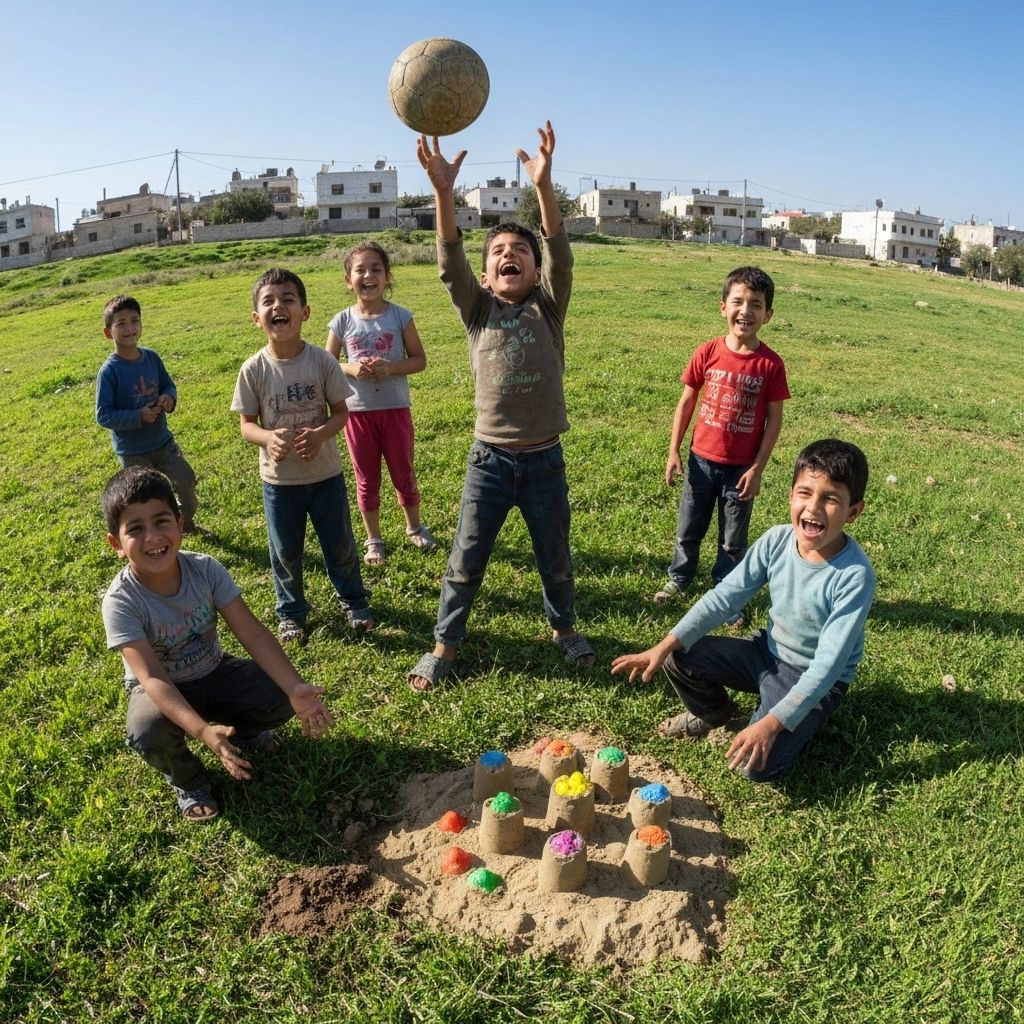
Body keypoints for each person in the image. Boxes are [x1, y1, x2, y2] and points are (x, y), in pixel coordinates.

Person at [407, 121, 594, 692]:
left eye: (520, 252)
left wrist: (544, 187)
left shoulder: (549, 307)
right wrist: (443, 194)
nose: (508, 256)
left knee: (555, 555)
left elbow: (562, 255)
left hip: (545, 462)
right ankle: (444, 644)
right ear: (486, 275)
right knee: (466, 558)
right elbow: (448, 262)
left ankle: (563, 630)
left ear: (535, 271)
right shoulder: (477, 308)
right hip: (489, 462)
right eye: (497, 253)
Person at [612, 439, 875, 782]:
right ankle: (716, 714)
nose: (813, 508)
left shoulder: (854, 575)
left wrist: (771, 723)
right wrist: (664, 645)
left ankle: (797, 718)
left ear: (853, 512)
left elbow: (828, 666)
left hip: (816, 678)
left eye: (831, 499)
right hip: (767, 652)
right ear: (790, 495)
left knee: (755, 767)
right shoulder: (777, 541)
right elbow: (725, 598)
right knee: (679, 654)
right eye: (805, 493)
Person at [100, 466, 336, 821]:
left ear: (180, 522)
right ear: (116, 544)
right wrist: (202, 732)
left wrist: (294, 686)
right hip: (160, 691)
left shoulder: (206, 569)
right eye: (135, 529)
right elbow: (153, 679)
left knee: (279, 693)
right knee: (146, 729)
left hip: (212, 670)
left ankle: (242, 732)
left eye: (161, 520)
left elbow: (252, 632)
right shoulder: (121, 601)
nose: (152, 537)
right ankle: (189, 782)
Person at [231, 268, 373, 646]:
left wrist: (322, 433)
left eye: (288, 299)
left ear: (305, 312)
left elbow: (341, 413)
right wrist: (267, 438)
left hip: (326, 475)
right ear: (256, 317)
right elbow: (247, 424)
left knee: (339, 544)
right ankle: (291, 612)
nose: (279, 306)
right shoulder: (253, 369)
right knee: (285, 551)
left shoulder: (322, 362)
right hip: (279, 482)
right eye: (269, 301)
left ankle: (354, 601)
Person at [653, 267, 790, 619]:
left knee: (733, 541)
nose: (746, 311)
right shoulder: (708, 351)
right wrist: (673, 451)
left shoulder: (770, 365)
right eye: (738, 302)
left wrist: (758, 467)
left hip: (741, 469)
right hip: (700, 462)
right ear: (723, 307)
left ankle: (725, 592)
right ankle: (679, 578)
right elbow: (686, 402)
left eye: (756, 305)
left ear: (768, 315)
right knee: (688, 529)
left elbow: (774, 418)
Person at [326, 240, 438, 566]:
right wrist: (352, 368)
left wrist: (391, 367)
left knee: (403, 471)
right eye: (360, 269)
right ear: (349, 280)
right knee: (367, 478)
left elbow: (419, 360)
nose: (368, 275)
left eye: (376, 268)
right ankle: (373, 538)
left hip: (395, 411)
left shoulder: (401, 317)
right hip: (358, 414)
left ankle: (414, 526)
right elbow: (327, 363)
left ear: (387, 276)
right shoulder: (342, 321)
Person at [95, 294, 201, 533]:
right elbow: (103, 415)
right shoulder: (109, 372)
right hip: (133, 452)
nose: (129, 328)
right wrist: (138, 416)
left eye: (134, 320)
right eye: (120, 323)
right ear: (108, 332)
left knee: (186, 479)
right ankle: (154, 536)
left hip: (163, 441)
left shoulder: (151, 358)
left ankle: (185, 523)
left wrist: (168, 398)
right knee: (145, 500)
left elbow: (168, 385)